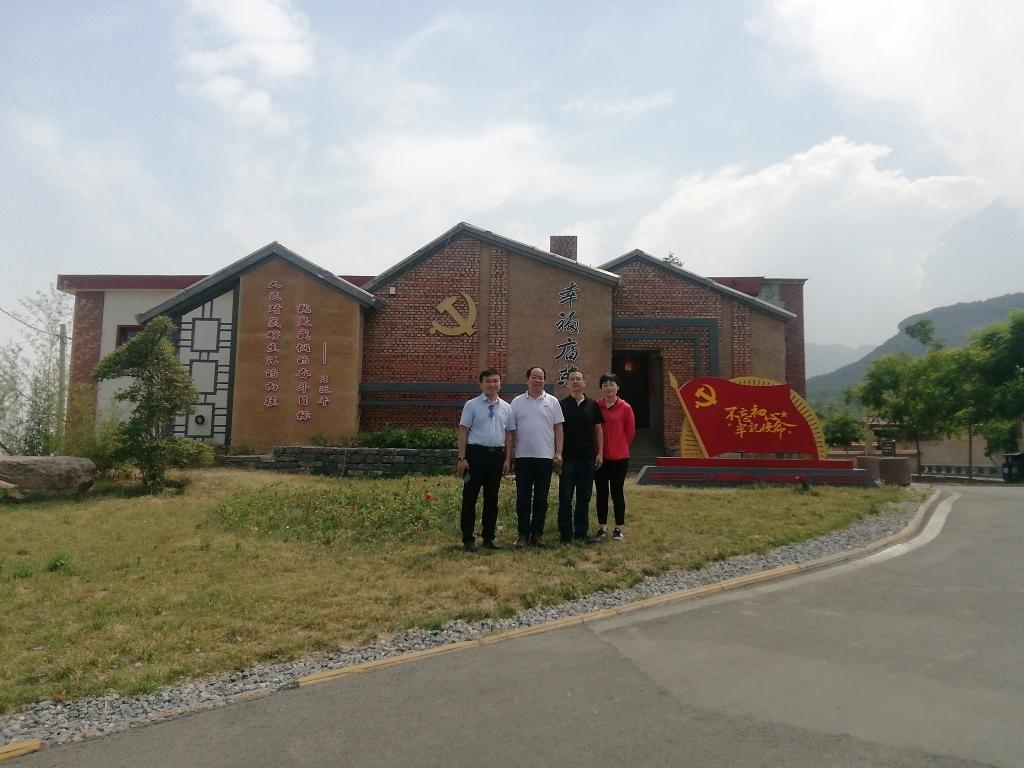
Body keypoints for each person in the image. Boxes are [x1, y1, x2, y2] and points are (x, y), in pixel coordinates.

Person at [457, 369, 513, 553]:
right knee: (470, 498)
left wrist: (507, 458)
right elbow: (463, 431)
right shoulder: (471, 405)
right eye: (488, 381)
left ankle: (489, 537)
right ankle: (468, 539)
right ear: (481, 384)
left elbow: (509, 435)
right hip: (475, 455)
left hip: (496, 456)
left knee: (492, 499)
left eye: (495, 381)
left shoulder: (506, 407)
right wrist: (462, 458)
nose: (492, 384)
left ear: (500, 384)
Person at [507, 366, 564, 547]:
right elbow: (511, 431)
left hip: (545, 457)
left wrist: (558, 452)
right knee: (523, 497)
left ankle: (537, 535)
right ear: (527, 380)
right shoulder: (517, 402)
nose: (537, 380)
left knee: (541, 497)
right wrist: (509, 454)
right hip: (522, 457)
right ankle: (523, 535)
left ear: (544, 380)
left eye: (541, 377)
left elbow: (559, 429)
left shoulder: (553, 402)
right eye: (534, 377)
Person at [557, 370, 603, 543]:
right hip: (567, 458)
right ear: (567, 384)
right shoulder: (560, 405)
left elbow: (598, 429)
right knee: (565, 497)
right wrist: (557, 453)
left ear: (584, 383)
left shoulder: (593, 405)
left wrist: (600, 452)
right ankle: (565, 534)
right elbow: (556, 431)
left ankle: (581, 532)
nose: (575, 382)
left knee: (584, 497)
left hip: (587, 458)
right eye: (572, 379)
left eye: (579, 379)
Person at [594, 373, 636, 541]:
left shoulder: (625, 407)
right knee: (601, 493)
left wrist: (621, 446)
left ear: (618, 387)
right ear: (601, 388)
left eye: (612, 384)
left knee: (617, 492)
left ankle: (618, 528)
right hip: (600, 458)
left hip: (619, 458)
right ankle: (602, 527)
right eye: (605, 384)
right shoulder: (596, 406)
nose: (608, 387)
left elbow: (630, 432)